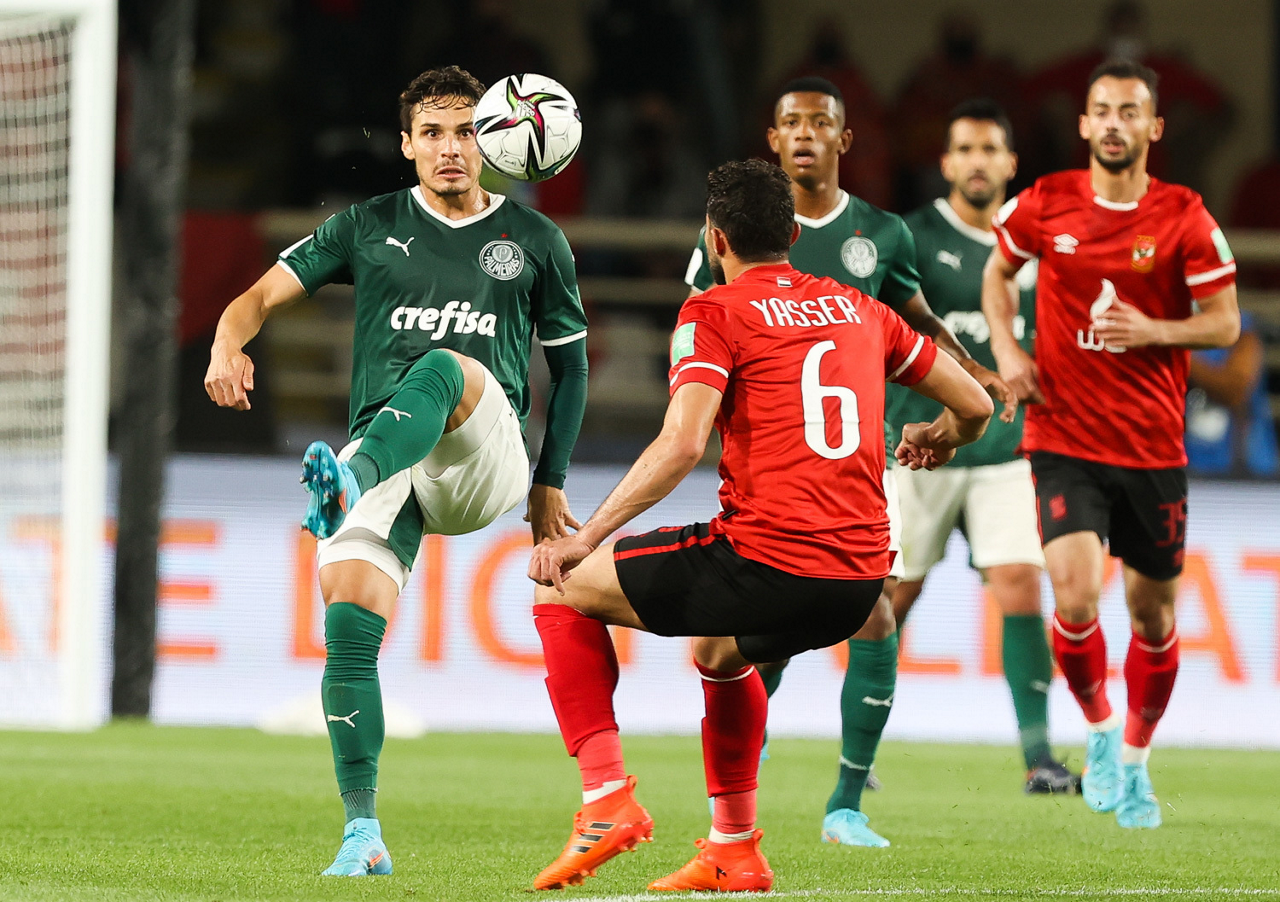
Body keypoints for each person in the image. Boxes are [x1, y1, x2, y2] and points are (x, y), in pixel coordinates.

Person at [528, 159, 993, 893]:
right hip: (859, 583)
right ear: (793, 234)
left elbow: (682, 444)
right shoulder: (861, 309)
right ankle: (733, 849)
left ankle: (605, 800)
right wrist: (938, 437)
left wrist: (583, 540)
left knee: (560, 588)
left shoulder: (713, 311)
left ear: (715, 239)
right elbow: (976, 405)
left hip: (768, 562)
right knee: (719, 651)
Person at [203, 66, 590, 875]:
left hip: (483, 454)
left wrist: (549, 482)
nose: (451, 148)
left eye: (466, 131)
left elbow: (572, 369)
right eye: (433, 133)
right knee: (347, 625)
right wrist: (225, 343)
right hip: (391, 452)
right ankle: (362, 831)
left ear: (492, 141)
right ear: (407, 144)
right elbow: (256, 299)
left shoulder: (535, 240)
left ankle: (347, 481)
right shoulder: (367, 224)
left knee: (443, 366)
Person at [685, 76, 1015, 848]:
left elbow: (917, 318)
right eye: (791, 123)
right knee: (780, 620)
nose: (805, 133)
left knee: (869, 611)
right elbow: (698, 328)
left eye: (819, 122)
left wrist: (970, 368)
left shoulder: (882, 234)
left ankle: (843, 801)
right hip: (767, 461)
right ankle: (756, 762)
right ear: (773, 139)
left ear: (844, 138)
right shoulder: (728, 233)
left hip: (856, 456)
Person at [982, 59, 1240, 829]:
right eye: (1102, 110)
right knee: (1074, 594)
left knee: (1152, 615)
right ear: (1084, 123)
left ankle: (1134, 758)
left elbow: (1225, 321)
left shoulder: (1184, 214)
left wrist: (1155, 329)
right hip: (1063, 434)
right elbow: (999, 274)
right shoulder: (1046, 201)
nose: (1115, 123)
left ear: (1153, 126)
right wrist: (1008, 349)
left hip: (1153, 446)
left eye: (1130, 111)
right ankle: (1098, 732)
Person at [892, 98, 1077, 794]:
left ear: (1010, 163)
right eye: (965, 149)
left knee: (1021, 584)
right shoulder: (911, 238)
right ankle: (861, 749)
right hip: (921, 445)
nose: (978, 162)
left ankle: (1039, 756)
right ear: (946, 163)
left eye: (990, 149)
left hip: (1007, 449)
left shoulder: (1037, 242)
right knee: (890, 598)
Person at [1186, 311, 1279, 478]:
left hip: (1243, 473)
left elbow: (1234, 390)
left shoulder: (1241, 327)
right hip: (1180, 465)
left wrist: (1172, 348)